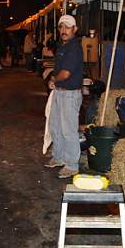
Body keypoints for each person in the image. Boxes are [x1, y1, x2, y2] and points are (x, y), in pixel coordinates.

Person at [45, 15, 83, 179]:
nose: (64, 30)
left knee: (68, 130)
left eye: (68, 27)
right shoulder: (62, 46)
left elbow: (66, 73)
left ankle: (72, 164)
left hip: (70, 95)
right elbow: (59, 69)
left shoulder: (74, 48)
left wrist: (54, 79)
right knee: (55, 126)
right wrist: (54, 80)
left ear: (75, 29)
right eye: (61, 27)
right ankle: (59, 157)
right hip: (60, 93)